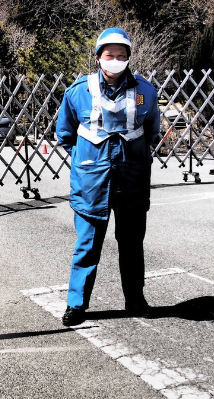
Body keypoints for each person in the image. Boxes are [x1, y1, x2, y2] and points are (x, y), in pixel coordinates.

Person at [56, 27, 160, 327]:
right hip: (92, 181)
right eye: (109, 55)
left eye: (121, 55)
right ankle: (77, 305)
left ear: (128, 58)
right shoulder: (78, 91)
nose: (115, 60)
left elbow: (151, 130)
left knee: (132, 243)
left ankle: (135, 299)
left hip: (132, 179)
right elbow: (65, 134)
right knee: (87, 246)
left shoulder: (146, 91)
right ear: (99, 57)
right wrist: (87, 159)